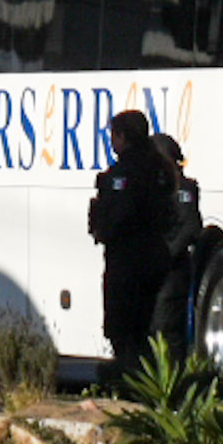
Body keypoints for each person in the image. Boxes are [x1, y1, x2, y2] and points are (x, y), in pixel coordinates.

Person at [88, 108, 176, 385]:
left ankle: (129, 384)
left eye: (113, 135)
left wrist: (101, 227)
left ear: (122, 137)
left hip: (126, 260)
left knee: (122, 325)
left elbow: (117, 216)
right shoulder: (161, 168)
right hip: (155, 257)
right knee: (144, 327)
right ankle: (145, 382)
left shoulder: (124, 172)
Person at [152, 132, 205, 360]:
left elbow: (191, 228)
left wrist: (166, 253)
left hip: (172, 272)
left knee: (167, 329)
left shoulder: (183, 189)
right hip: (152, 270)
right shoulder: (154, 188)